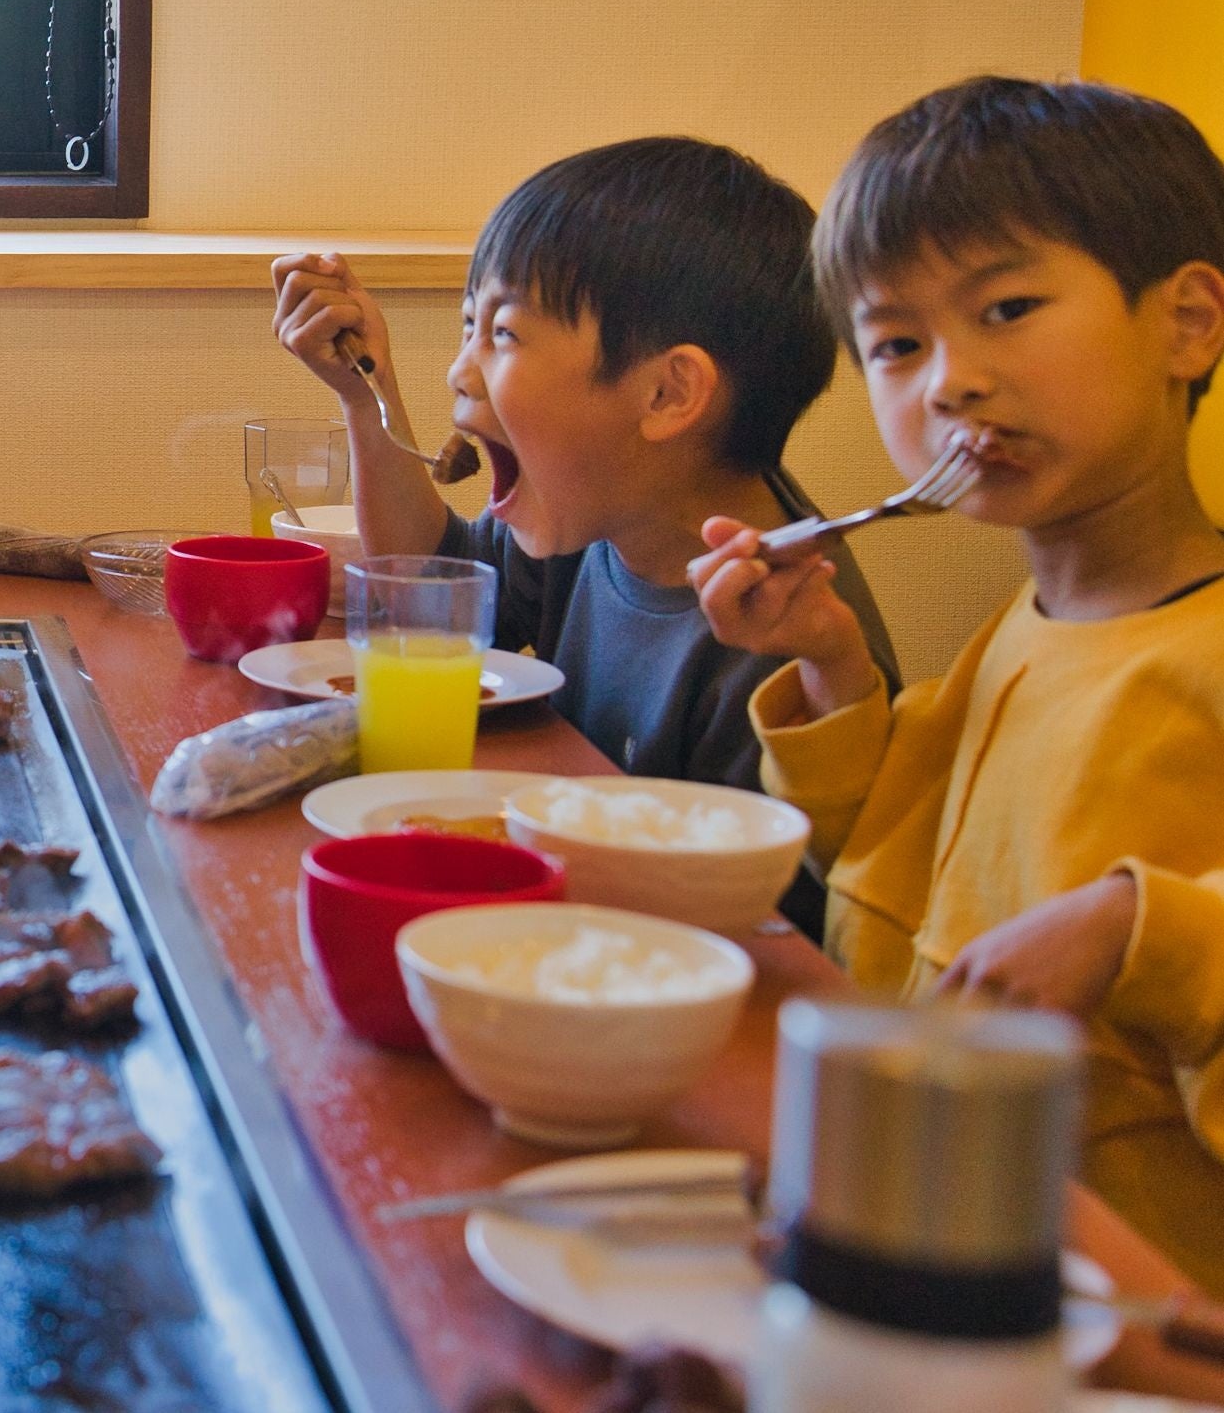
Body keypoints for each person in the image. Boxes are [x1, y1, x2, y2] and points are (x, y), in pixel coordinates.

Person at [693, 76, 1224, 1291]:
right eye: (895, 344)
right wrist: (826, 654)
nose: (949, 382)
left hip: (1134, 1302)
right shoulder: (1019, 628)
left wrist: (1139, 925)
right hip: (937, 1230)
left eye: (1008, 308)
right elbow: (896, 870)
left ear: (1187, 322)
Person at [270, 138, 901, 818]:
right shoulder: (602, 514)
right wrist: (366, 393)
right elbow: (436, 589)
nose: (459, 371)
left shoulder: (775, 645)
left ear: (666, 394)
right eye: (467, 325)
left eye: (504, 333)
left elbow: (761, 917)